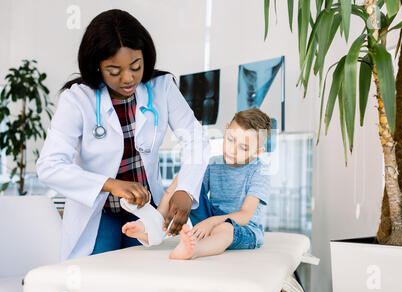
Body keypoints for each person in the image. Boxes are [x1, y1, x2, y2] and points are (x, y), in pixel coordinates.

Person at [36, 9, 209, 261]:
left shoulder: (161, 88)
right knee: (98, 277)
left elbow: (196, 139)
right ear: (97, 67)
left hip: (145, 210)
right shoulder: (77, 99)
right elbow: (49, 166)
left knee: (145, 277)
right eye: (114, 71)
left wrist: (186, 190)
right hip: (99, 210)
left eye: (136, 67)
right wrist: (111, 184)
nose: (128, 79)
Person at [123, 108, 272, 260]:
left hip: (242, 229)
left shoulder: (259, 171)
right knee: (186, 181)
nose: (232, 150)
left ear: (257, 152)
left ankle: (194, 249)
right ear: (226, 129)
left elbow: (245, 216)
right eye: (230, 139)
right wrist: (187, 193)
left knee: (226, 228)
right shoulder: (214, 163)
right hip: (210, 220)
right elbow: (192, 189)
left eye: (243, 147)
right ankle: (154, 226)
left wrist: (211, 222)